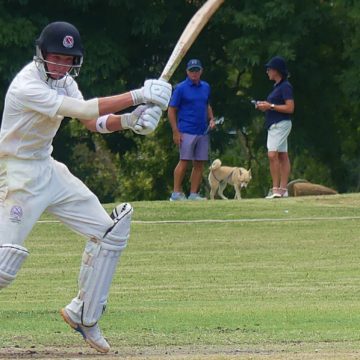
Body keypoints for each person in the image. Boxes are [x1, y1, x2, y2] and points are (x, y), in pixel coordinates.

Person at [0, 21, 172, 353]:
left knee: (110, 232)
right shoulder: (26, 85)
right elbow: (81, 109)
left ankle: (84, 314)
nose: (61, 65)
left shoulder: (65, 82)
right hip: (16, 173)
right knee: (4, 265)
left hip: (48, 168)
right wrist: (138, 95)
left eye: (68, 59)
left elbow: (92, 123)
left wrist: (129, 121)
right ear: (41, 55)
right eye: (55, 58)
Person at [168, 59, 215, 201]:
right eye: (191, 70)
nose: (194, 73)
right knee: (184, 160)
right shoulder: (181, 88)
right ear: (187, 72)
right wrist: (175, 131)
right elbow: (171, 109)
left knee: (199, 163)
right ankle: (176, 193)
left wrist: (211, 119)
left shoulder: (206, 87)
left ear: (201, 71)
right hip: (186, 129)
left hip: (202, 130)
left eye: (197, 70)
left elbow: (207, 105)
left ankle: (194, 194)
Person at [255, 56, 294, 198]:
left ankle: (276, 189)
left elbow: (290, 108)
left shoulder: (286, 86)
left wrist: (270, 106)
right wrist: (265, 106)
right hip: (274, 124)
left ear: (277, 71)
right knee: (283, 155)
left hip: (280, 124)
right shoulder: (277, 87)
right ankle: (283, 190)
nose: (267, 72)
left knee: (272, 154)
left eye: (269, 69)